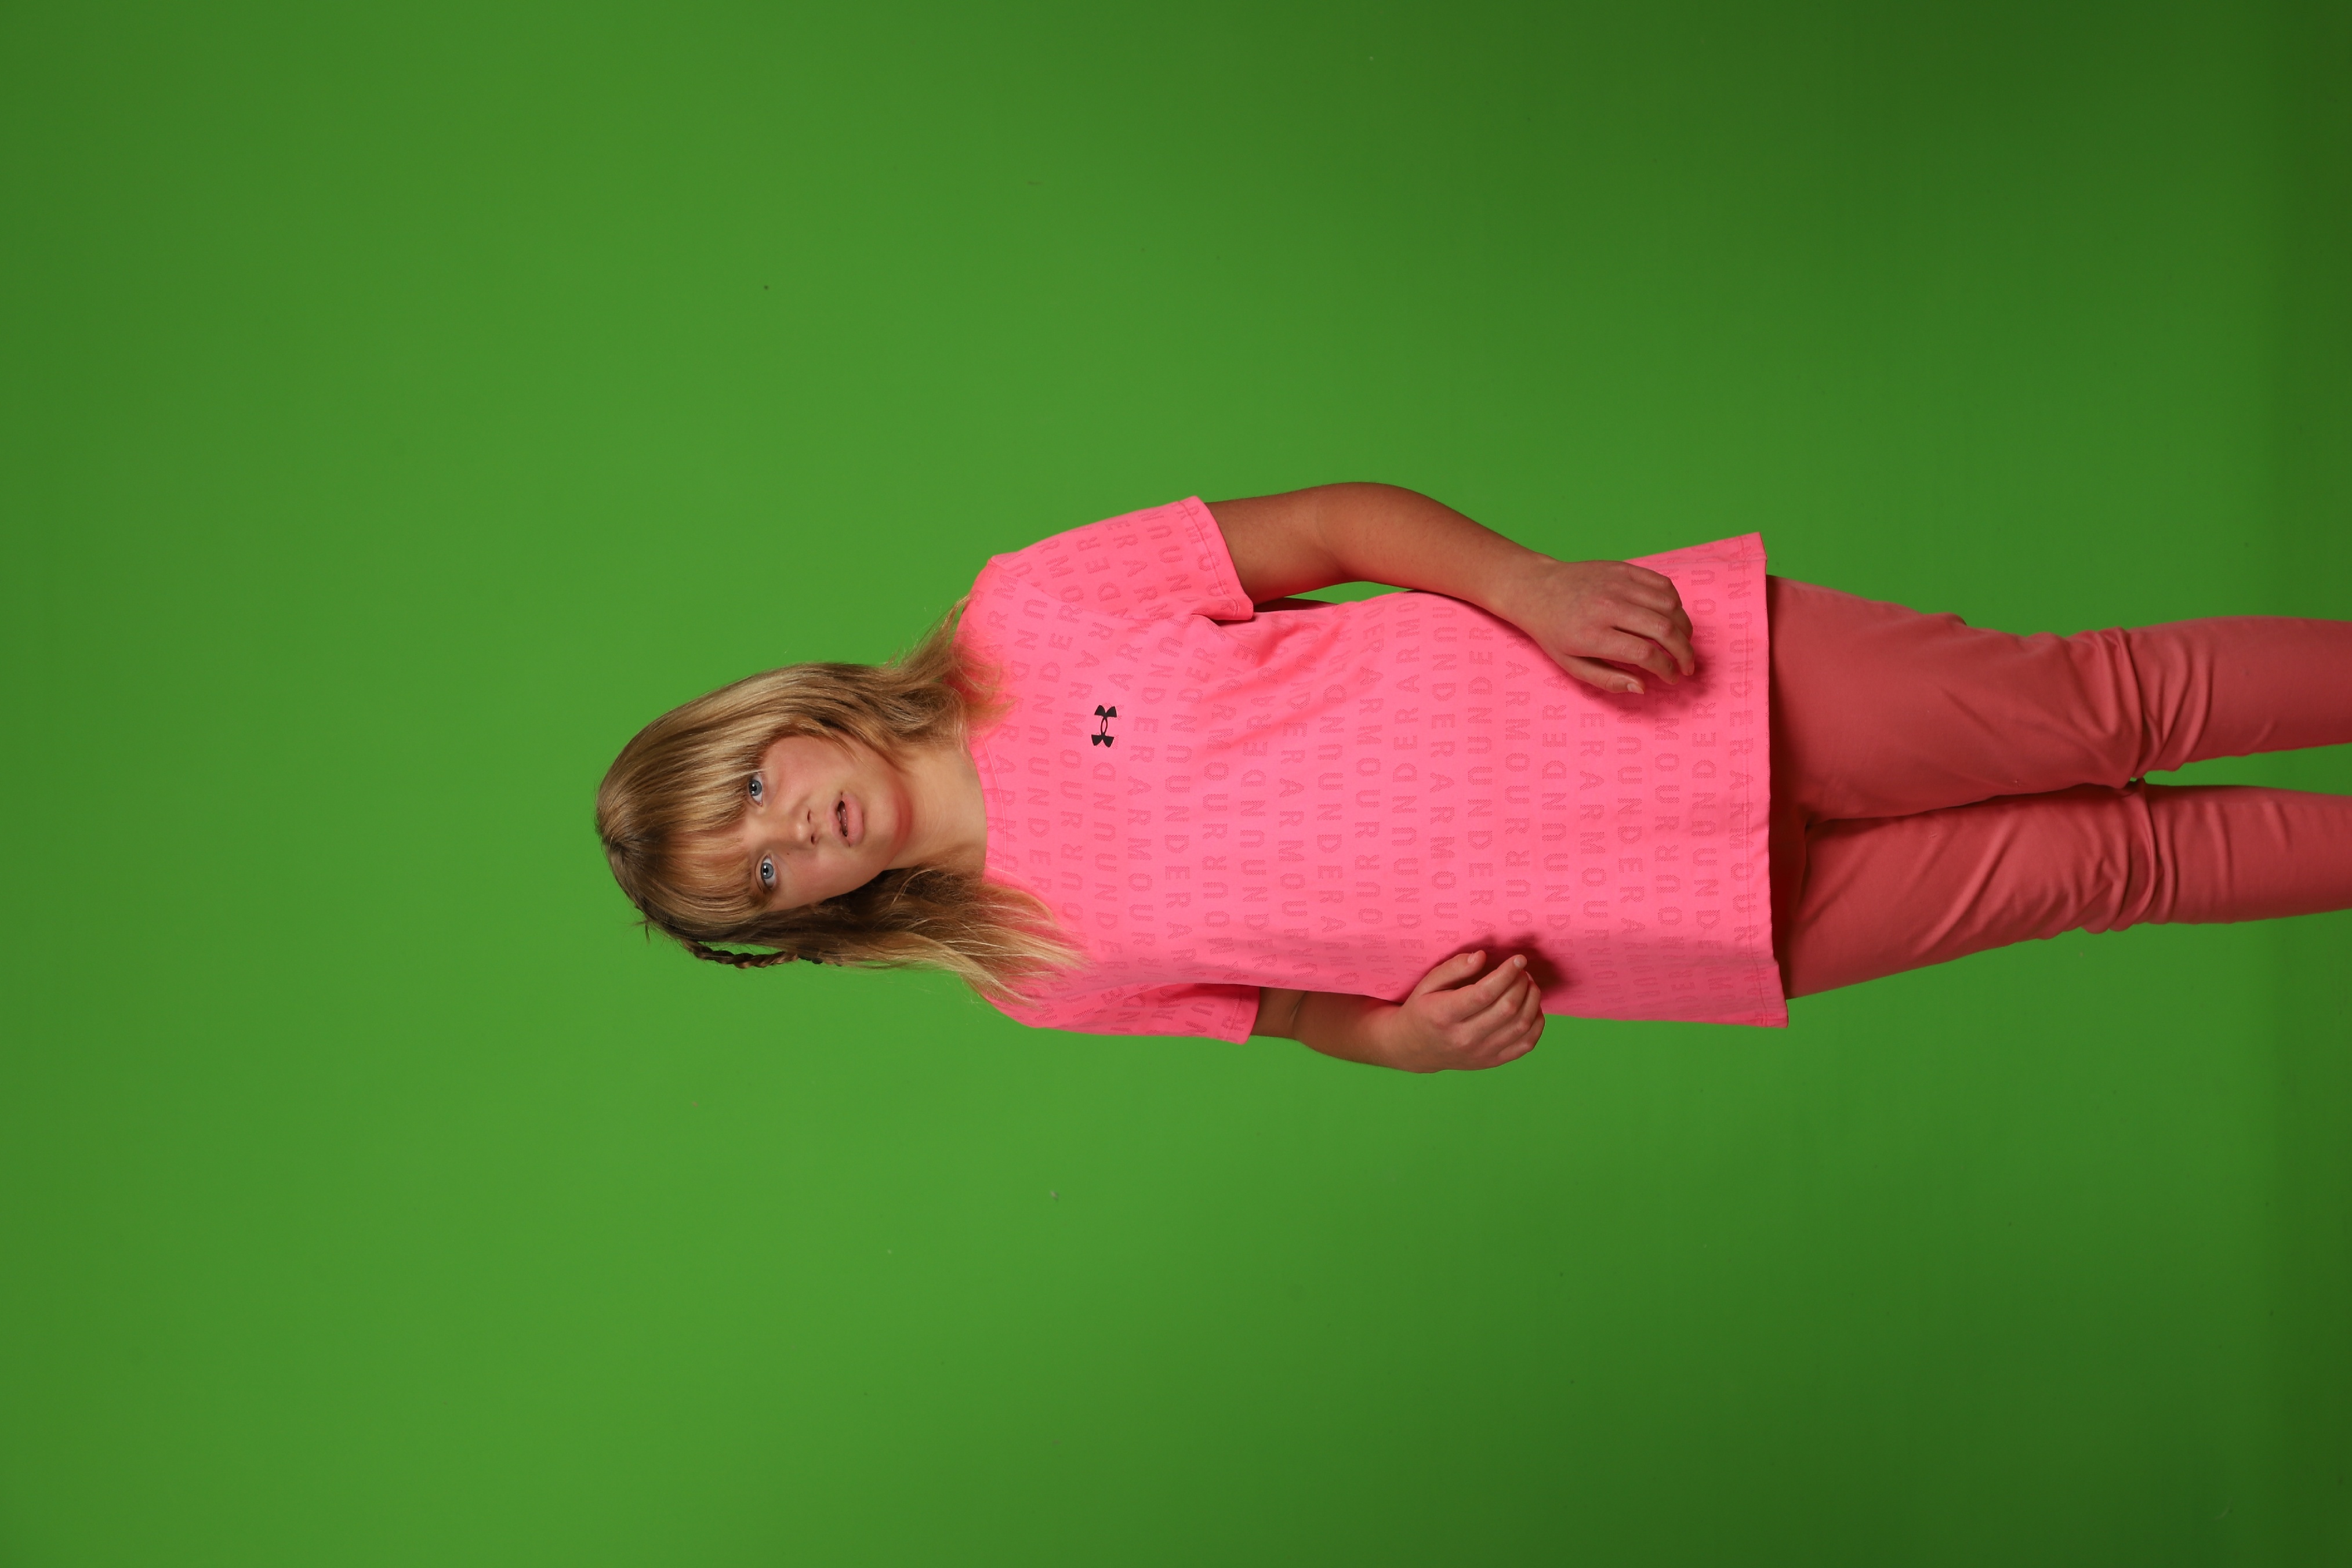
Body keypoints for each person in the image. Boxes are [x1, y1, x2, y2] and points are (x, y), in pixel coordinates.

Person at [595, 485, 2352, 1072]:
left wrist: (1533, 588)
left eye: (749, 796)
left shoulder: (1029, 612)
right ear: (809, 925)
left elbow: (1327, 527)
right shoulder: (1033, 972)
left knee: (2106, 707)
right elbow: (1285, 1012)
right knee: (2121, 871)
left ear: (778, 719)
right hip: (1665, 918)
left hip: (1666, 689)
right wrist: (1399, 1041)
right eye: (763, 879)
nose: (790, 832)